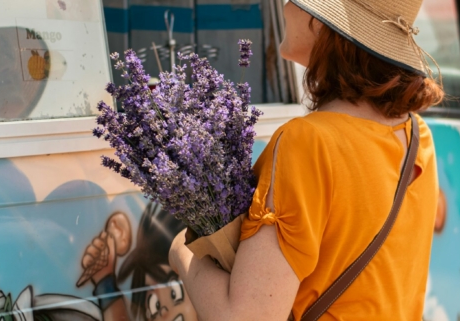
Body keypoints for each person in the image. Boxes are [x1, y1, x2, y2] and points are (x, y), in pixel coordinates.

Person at [168, 0, 444, 319]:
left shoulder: (308, 143)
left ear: (323, 25)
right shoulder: (415, 133)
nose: (283, 7)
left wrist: (181, 253)